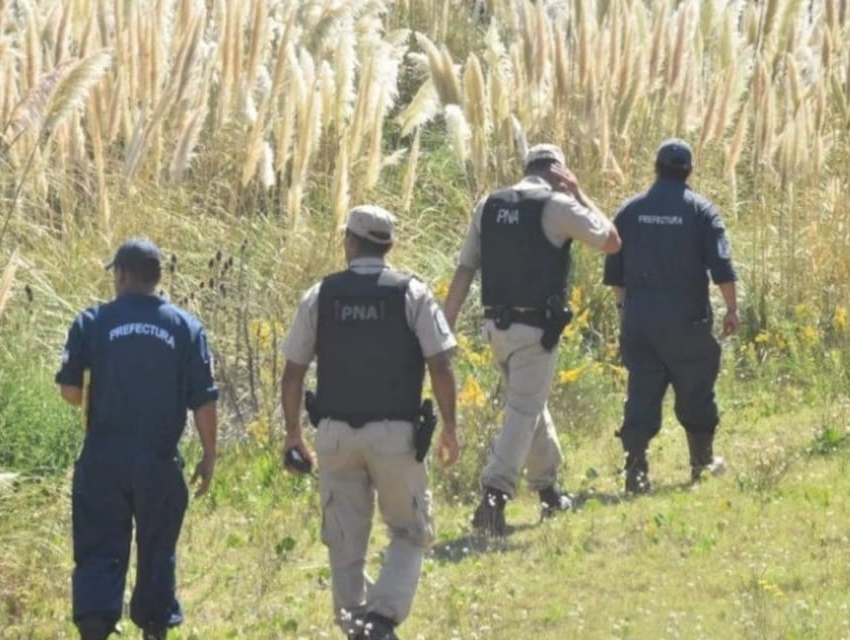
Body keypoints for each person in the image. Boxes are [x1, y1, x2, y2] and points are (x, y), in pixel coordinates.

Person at [280, 205, 459, 640]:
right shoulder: (412, 293)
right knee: (411, 529)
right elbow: (439, 363)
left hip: (335, 436)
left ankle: (356, 626)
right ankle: (380, 620)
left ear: (349, 241)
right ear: (390, 246)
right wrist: (451, 427)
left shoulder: (320, 294)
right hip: (395, 436)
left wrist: (293, 434)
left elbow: (292, 372)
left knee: (344, 540)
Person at [443, 144, 621, 536]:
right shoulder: (556, 205)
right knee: (524, 411)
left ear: (526, 167)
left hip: (495, 329)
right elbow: (611, 241)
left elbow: (464, 270)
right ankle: (493, 498)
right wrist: (578, 192)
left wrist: (444, 328)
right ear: (558, 170)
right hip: (536, 331)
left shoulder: (489, 204)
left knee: (531, 406)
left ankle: (549, 491)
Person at [56, 238, 219, 640]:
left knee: (98, 546)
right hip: (159, 460)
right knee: (158, 550)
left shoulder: (93, 321)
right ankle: (154, 627)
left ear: (123, 275)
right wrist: (209, 456)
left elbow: (71, 392)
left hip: (103, 458)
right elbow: (204, 400)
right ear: (157, 278)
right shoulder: (185, 327)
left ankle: (96, 626)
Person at [603, 138, 738, 494]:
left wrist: (624, 312)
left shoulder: (629, 211)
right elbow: (722, 268)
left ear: (656, 168)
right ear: (689, 171)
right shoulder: (702, 211)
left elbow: (615, 275)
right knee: (696, 391)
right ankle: (702, 462)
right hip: (687, 323)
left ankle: (636, 471)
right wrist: (732, 309)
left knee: (642, 391)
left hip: (641, 323)